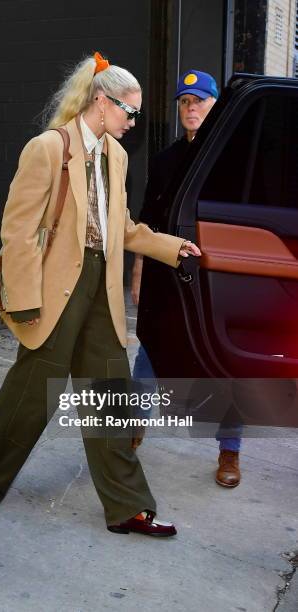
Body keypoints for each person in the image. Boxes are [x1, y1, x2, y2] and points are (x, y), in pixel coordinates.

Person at [0, 52, 201, 537]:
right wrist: (25, 297)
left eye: (136, 114)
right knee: (32, 396)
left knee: (112, 396)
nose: (134, 121)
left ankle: (128, 506)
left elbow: (123, 229)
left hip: (100, 289)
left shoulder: (117, 155)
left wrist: (174, 248)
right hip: (53, 290)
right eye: (128, 112)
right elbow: (19, 229)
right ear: (99, 100)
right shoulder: (49, 148)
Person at [132, 70, 242, 488]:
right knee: (149, 355)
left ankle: (229, 450)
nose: (191, 107)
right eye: (184, 101)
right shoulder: (164, 161)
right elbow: (146, 222)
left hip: (216, 284)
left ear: (216, 107)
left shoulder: (232, 161)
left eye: (199, 100)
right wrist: (140, 271)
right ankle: (132, 430)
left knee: (226, 364)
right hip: (166, 279)